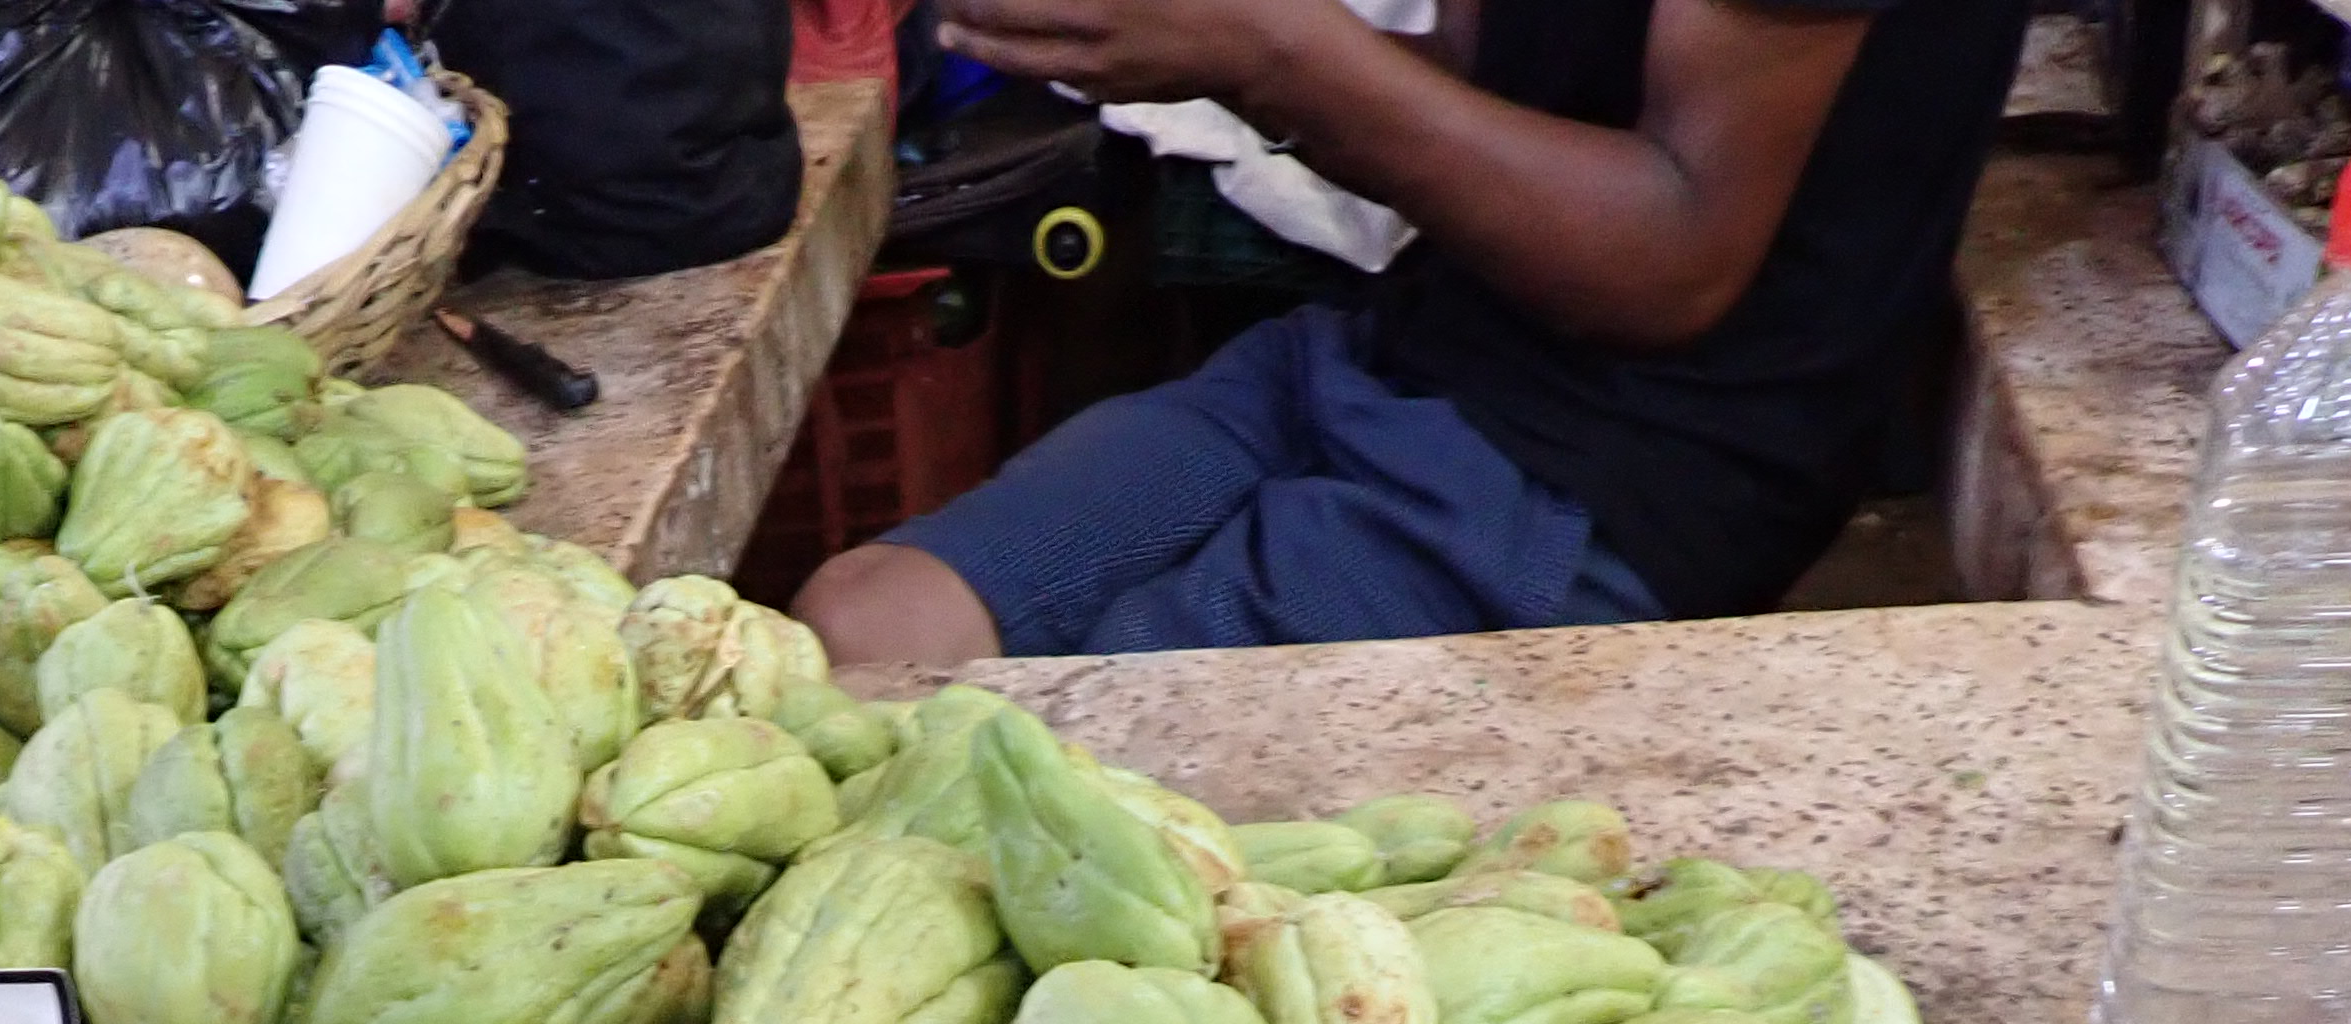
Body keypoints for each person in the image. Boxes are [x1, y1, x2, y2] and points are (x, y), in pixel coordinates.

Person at [796, 0, 2031, 662]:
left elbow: (1676, 262)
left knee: (1091, 748)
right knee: (866, 626)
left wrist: (1274, 49)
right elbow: (1493, 55)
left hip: (1619, 463)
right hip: (1410, 345)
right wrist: (1194, 35)